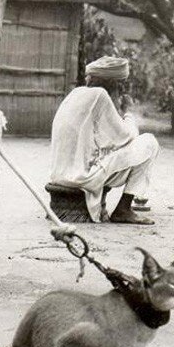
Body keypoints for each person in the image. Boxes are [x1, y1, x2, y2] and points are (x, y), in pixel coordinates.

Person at [49, 56, 159, 224]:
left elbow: (103, 140)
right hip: (82, 177)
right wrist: (127, 113)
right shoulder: (100, 96)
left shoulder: (75, 93)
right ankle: (123, 209)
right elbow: (126, 136)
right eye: (121, 85)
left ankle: (122, 208)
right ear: (115, 84)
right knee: (149, 143)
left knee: (125, 150)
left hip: (59, 174)